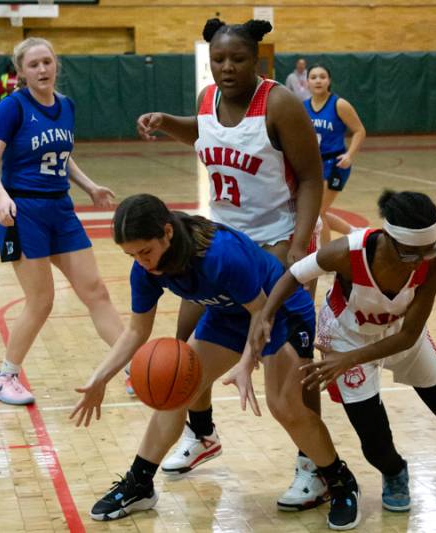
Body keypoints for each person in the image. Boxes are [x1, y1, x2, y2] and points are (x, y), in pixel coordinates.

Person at [71, 194, 361, 530]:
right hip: (228, 314)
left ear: (167, 232)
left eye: (145, 251)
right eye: (132, 255)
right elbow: (136, 330)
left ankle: (340, 483)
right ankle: (140, 483)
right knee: (176, 387)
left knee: (283, 405)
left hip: (279, 310)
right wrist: (100, 378)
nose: (142, 262)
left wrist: (247, 361)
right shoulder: (145, 269)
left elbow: (261, 314)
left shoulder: (219, 254)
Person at [136, 18, 327, 511]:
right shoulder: (207, 99)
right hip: (217, 243)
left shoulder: (278, 104)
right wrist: (166, 121)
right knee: (184, 350)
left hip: (277, 244)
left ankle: (312, 463)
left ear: (256, 60)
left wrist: (297, 245)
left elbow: (310, 177)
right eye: (218, 59)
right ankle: (202, 434)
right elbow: (204, 132)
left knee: (291, 369)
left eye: (237, 59)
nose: (226, 67)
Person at [250, 190, 436, 513]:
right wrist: (265, 314)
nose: (421, 259)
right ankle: (394, 473)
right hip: (346, 338)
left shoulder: (435, 261)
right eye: (411, 252)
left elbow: (408, 335)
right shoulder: (347, 252)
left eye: (428, 249)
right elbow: (294, 275)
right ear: (387, 238)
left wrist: (349, 360)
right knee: (374, 440)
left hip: (397, 335)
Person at [0, 37, 123, 405]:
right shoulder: (12, 107)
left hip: (61, 209)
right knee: (41, 300)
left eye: (47, 62)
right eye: (34, 65)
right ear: (22, 72)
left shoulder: (67, 106)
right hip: (23, 211)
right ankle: (5, 376)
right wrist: (1, 197)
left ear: (57, 64)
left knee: (96, 292)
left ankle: (133, 365)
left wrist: (89, 186)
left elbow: (62, 155)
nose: (42, 69)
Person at [305, 64, 366, 247]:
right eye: (313, 77)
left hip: (335, 164)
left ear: (329, 81)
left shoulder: (339, 104)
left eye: (322, 77)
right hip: (315, 165)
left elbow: (359, 130)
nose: (318, 80)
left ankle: (324, 256)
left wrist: (350, 155)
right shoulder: (303, 107)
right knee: (318, 211)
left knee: (317, 212)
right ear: (307, 82)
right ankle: (353, 233)